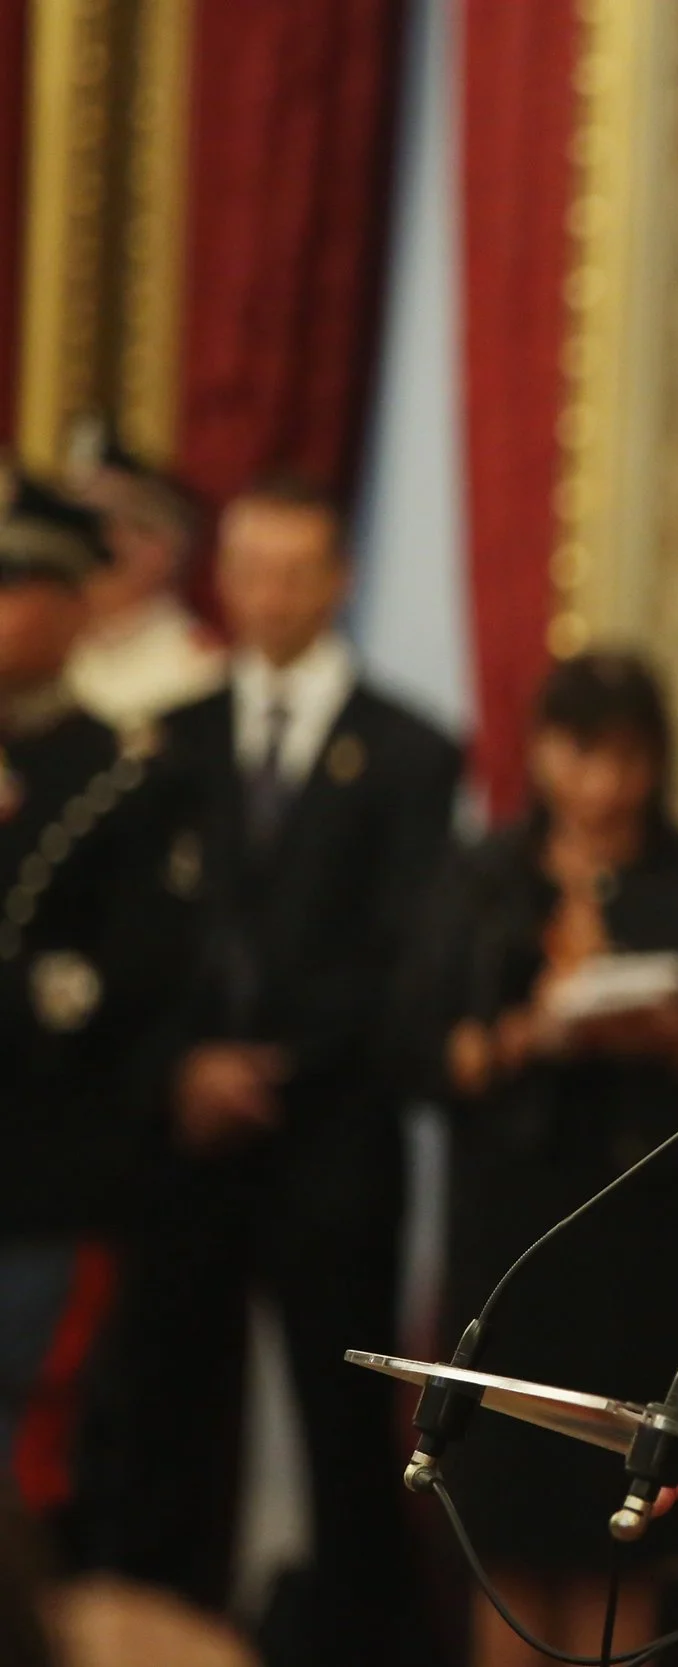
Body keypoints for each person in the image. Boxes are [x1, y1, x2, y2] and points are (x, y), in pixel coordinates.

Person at [84, 475, 462, 1663]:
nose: (272, 595)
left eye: (297, 571)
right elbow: (131, 944)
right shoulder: (169, 740)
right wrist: (184, 1066)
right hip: (186, 1140)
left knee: (344, 1430)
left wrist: (275, 1068)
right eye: (250, 569)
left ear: (339, 580)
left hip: (332, 1143)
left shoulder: (409, 750)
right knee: (166, 1417)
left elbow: (408, 955)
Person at [401, 651, 678, 1667]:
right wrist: (530, 1033)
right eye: (583, 755)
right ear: (543, 752)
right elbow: (412, 1048)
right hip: (515, 1247)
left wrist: (676, 1038)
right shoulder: (484, 877)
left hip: (654, 1251)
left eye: (629, 758)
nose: (606, 784)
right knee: (508, 1525)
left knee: (623, 1532)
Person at [0, 474, 197, 1544]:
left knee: (30, 1465)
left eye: (18, 586)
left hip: (45, 1183)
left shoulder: (120, 776)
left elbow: (122, 991)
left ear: (74, 604)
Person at [61, 413, 224, 731]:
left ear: (166, 549)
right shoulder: (49, 645)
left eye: (130, 527)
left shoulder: (195, 668)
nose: (104, 543)